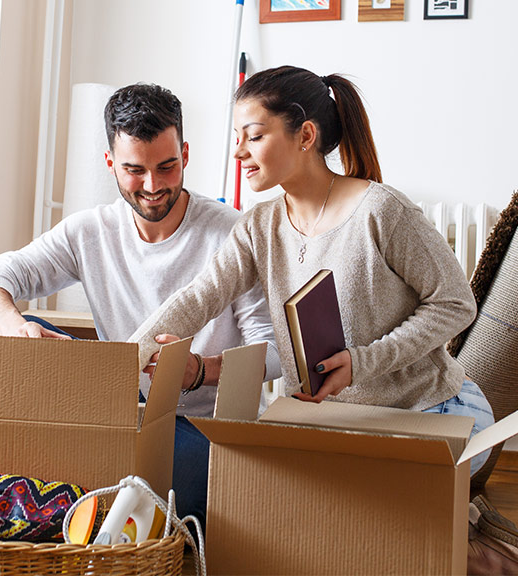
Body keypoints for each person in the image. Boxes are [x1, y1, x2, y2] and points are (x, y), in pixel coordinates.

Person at [129, 65, 494, 476]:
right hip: (330, 423)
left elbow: (456, 304)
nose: (238, 152)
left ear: (305, 136)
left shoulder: (381, 211)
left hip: (430, 411)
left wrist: (362, 362)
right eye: (237, 138)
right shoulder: (259, 227)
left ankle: (474, 530)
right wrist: (122, 363)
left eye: (254, 136)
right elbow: (200, 296)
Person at [0, 83, 282, 529]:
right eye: (135, 170)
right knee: (27, 331)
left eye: (167, 167)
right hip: (116, 414)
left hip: (202, 427)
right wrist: (15, 328)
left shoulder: (234, 234)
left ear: (186, 155)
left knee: (142, 486)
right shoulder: (90, 232)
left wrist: (199, 371)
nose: (153, 186)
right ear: (110, 164)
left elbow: (272, 352)